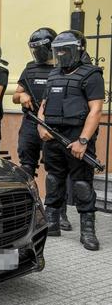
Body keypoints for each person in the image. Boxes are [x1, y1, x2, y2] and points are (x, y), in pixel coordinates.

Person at [37, 30, 104, 251]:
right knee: (54, 179)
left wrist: (83, 141)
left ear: (78, 49)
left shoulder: (91, 74)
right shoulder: (54, 74)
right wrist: (40, 125)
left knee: (82, 184)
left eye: (66, 50)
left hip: (77, 138)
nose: (62, 54)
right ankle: (52, 222)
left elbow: (96, 110)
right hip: (52, 137)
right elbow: (44, 105)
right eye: (59, 51)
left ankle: (87, 231)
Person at [12, 27, 73, 230]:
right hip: (30, 124)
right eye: (34, 49)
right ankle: (28, 209)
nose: (37, 53)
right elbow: (15, 95)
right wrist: (23, 96)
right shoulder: (29, 68)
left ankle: (59, 213)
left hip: (53, 126)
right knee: (27, 166)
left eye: (40, 49)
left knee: (56, 171)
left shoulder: (63, 69)